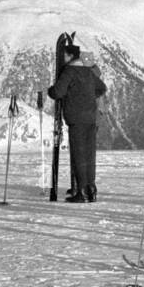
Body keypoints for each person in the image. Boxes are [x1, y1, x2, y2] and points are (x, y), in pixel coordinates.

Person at [47, 43, 106, 202]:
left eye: (64, 55)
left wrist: (51, 91)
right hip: (90, 117)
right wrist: (87, 97)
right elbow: (101, 88)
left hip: (76, 118)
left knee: (79, 155)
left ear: (69, 56)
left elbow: (58, 92)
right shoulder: (88, 72)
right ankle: (91, 189)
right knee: (89, 154)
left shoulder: (69, 71)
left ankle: (81, 192)